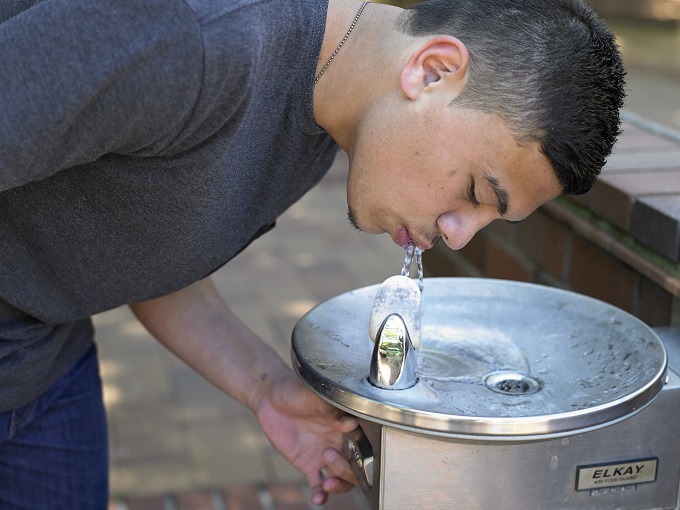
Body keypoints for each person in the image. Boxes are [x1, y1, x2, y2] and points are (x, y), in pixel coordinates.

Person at [0, 0, 624, 507]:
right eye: (475, 192)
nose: (460, 235)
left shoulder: (319, 122)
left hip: (44, 372)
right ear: (431, 71)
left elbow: (135, 237)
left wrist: (264, 386)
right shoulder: (189, 37)